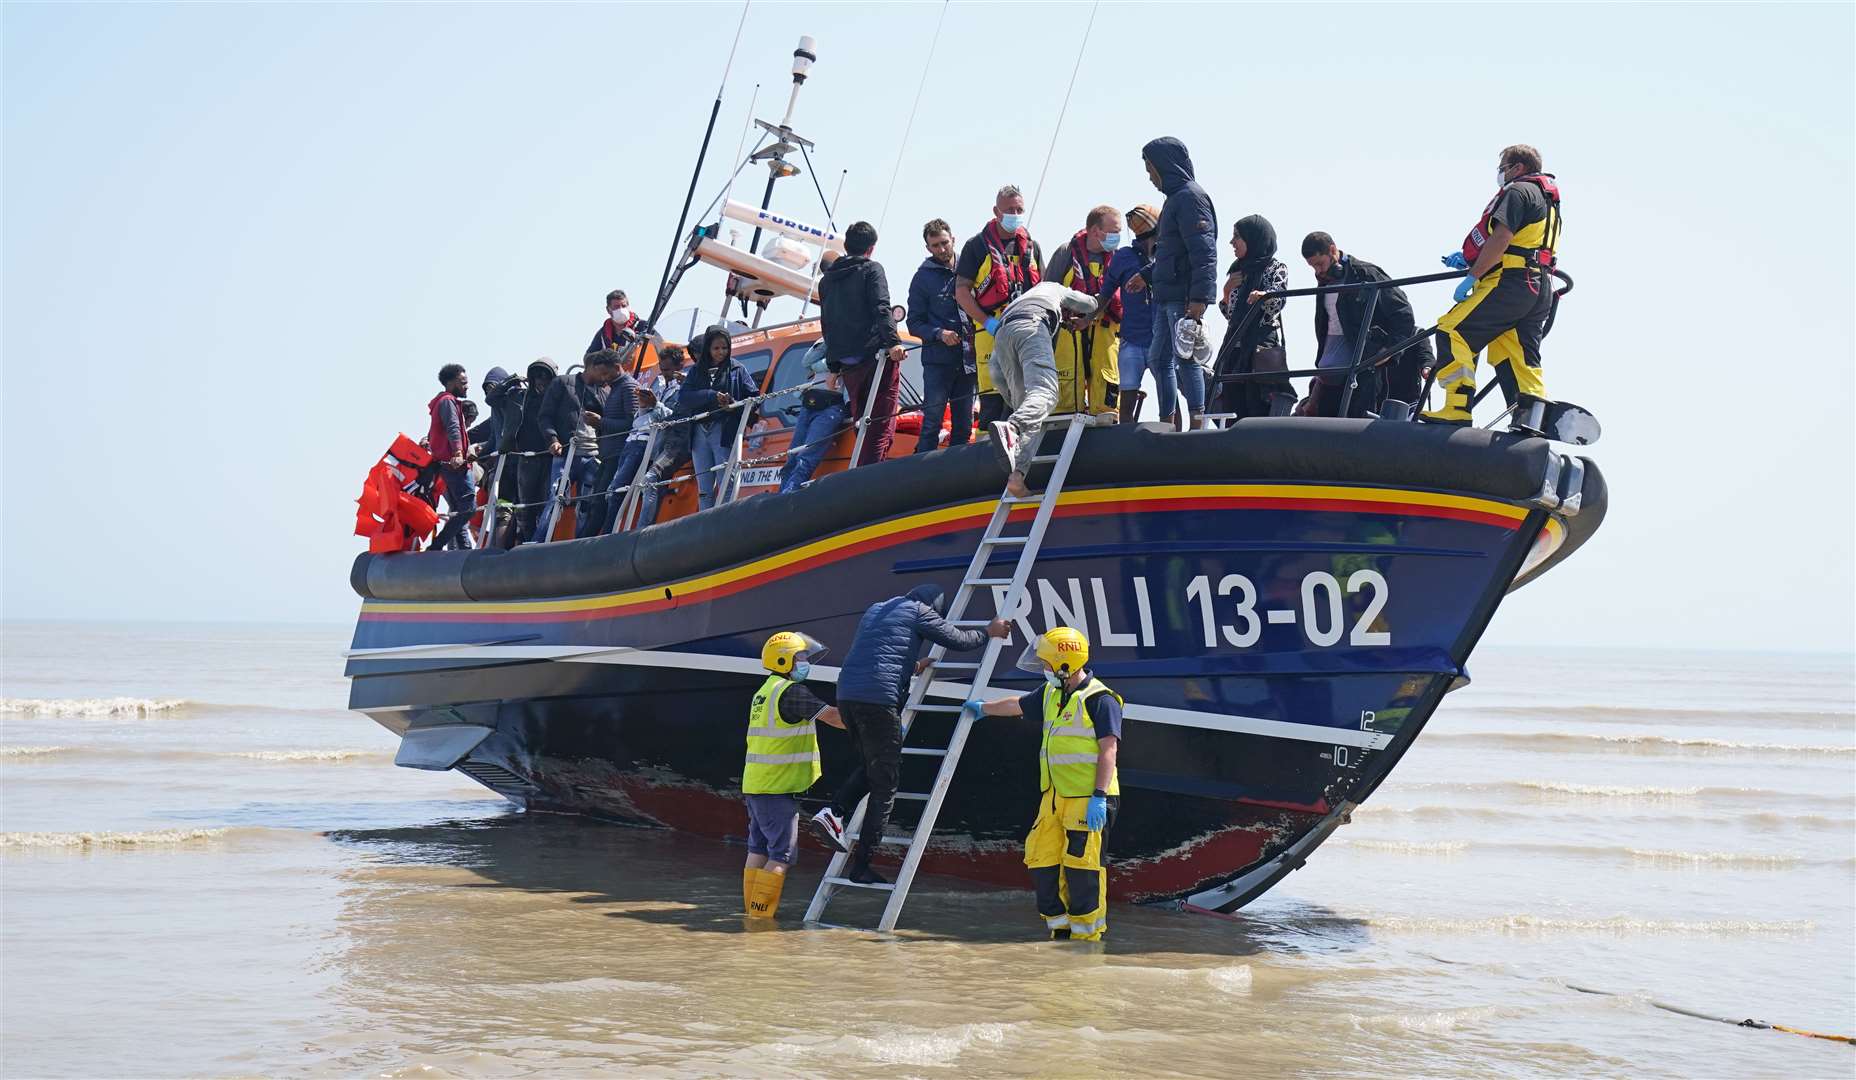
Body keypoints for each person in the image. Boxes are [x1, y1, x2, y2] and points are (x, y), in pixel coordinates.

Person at [809, 585, 1009, 883]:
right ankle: (860, 865)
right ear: (933, 605)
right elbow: (959, 640)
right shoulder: (920, 611)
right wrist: (988, 631)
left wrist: (914, 666)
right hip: (879, 701)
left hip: (849, 696)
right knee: (885, 786)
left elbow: (878, 653)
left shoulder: (876, 608)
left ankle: (834, 812)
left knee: (871, 767)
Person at [962, 626, 1122, 941]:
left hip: (1088, 799)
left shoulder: (1100, 700)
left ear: (1065, 665)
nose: (1043, 670)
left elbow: (1109, 750)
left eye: (1047, 664)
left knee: (1082, 869)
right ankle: (1059, 933)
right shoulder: (1051, 693)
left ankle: (1087, 940)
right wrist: (984, 709)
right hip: (1054, 796)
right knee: (1041, 859)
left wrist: (1099, 796)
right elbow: (1017, 705)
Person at [1423, 144, 1562, 430]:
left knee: (1452, 330)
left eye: (1503, 168)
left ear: (1518, 168)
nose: (1500, 174)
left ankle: (1457, 407)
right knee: (1515, 349)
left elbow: (1501, 238)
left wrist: (1473, 275)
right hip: (1539, 286)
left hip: (1510, 281)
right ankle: (1531, 415)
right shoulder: (1548, 202)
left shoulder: (1517, 191)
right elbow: (1525, 242)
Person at [742, 630, 844, 919]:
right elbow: (832, 716)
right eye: (801, 657)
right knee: (782, 855)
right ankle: (761, 921)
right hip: (776, 789)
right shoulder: (791, 692)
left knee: (758, 848)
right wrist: (872, 726)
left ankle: (751, 914)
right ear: (785, 660)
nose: (805, 662)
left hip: (756, 786)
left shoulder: (764, 691)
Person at [1125, 138, 1217, 430]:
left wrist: (1200, 298)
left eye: (1150, 168)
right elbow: (1169, 254)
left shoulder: (1190, 199)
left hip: (1183, 296)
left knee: (1185, 358)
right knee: (1158, 357)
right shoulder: (1174, 200)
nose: (1149, 175)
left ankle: (1197, 423)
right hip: (1168, 295)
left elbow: (1204, 253)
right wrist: (1146, 275)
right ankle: (1169, 422)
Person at [983, 281, 1100, 499]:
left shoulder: (1021, 299)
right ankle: (1013, 426)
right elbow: (1089, 304)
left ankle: (1017, 476)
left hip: (1002, 335)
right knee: (1046, 393)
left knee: (1030, 408)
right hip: (1031, 327)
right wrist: (1096, 298)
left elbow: (996, 371)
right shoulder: (1055, 288)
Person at [1301, 232, 1435, 418]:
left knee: (1358, 420)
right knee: (1325, 423)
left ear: (1332, 250)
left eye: (1320, 264)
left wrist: (1388, 351)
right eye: (1312, 267)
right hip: (1331, 370)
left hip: (1364, 368)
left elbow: (1403, 314)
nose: (1317, 271)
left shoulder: (1367, 274)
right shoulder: (1323, 283)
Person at [954, 185, 1044, 431]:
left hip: (1025, 332)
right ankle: (985, 458)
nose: (1015, 214)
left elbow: (1043, 288)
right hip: (990, 331)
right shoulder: (977, 245)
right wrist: (986, 322)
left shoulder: (1031, 246)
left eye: (1019, 209)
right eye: (1010, 210)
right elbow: (961, 291)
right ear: (996, 211)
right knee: (992, 402)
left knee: (1023, 399)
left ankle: (1020, 453)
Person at [819, 223, 907, 467]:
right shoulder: (872, 270)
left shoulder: (826, 281)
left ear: (846, 246)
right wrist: (894, 343)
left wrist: (833, 366)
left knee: (862, 421)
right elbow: (881, 307)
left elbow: (828, 324)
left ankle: (862, 470)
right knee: (880, 424)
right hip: (874, 357)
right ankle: (868, 478)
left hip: (848, 364)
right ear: (871, 248)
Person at [1041, 206, 1124, 424]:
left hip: (1105, 332)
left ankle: (1105, 422)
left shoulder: (1119, 258)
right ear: (1096, 231)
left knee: (1107, 381)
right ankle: (1063, 422)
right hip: (1070, 332)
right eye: (1114, 230)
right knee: (1066, 381)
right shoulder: (1066, 253)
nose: (1118, 236)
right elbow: (1046, 292)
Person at [532, 350, 624, 541]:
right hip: (566, 454)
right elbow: (545, 416)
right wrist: (553, 440)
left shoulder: (605, 392)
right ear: (593, 367)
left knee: (587, 504)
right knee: (556, 499)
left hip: (593, 455)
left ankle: (579, 545)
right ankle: (538, 541)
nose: (605, 377)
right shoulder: (562, 383)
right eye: (602, 372)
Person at [1211, 215, 1294, 419]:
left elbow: (1278, 301)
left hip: (1260, 349)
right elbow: (1231, 316)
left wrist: (1264, 296)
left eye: (1237, 237)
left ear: (1253, 238)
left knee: (1258, 405)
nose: (1232, 242)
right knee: (1231, 404)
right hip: (1234, 349)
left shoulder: (1275, 268)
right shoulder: (1238, 271)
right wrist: (1226, 292)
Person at [905, 219, 975, 453]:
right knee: (932, 422)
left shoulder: (969, 268)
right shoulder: (922, 278)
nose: (942, 249)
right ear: (928, 249)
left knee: (964, 425)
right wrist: (939, 333)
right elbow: (913, 322)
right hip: (938, 362)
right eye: (935, 245)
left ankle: (958, 479)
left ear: (953, 240)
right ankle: (920, 474)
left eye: (945, 243)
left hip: (968, 360)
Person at [1102, 204, 1161, 423]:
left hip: (1162, 340)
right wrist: (1087, 318)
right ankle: (1126, 446)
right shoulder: (1124, 256)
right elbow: (1105, 294)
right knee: (1126, 400)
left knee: (1169, 400)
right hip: (1132, 341)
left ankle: (1175, 446)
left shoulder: (1167, 255)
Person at [580, 352, 642, 536]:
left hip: (619, 454)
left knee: (602, 500)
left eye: (605, 374)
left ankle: (595, 539)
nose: (602, 378)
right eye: (600, 374)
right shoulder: (615, 388)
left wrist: (601, 423)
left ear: (617, 367)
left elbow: (633, 423)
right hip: (609, 454)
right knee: (596, 500)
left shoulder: (629, 387)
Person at [633, 344, 691, 529]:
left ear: (679, 366)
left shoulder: (686, 386)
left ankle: (643, 528)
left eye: (667, 369)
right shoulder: (660, 384)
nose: (663, 372)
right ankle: (646, 527)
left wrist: (656, 404)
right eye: (661, 368)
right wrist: (644, 405)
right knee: (653, 487)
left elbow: (678, 417)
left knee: (652, 478)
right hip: (658, 441)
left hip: (677, 442)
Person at [778, 347, 847, 493]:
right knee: (792, 457)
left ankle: (788, 494)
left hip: (832, 407)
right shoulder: (828, 338)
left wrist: (823, 364)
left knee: (806, 458)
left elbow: (846, 362)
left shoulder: (854, 341)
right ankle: (781, 496)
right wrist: (828, 343)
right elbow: (807, 361)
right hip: (809, 404)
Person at [427, 364, 477, 550]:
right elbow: (453, 428)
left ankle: (463, 548)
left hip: (447, 464)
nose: (466, 386)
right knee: (469, 508)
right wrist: (457, 453)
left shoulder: (442, 402)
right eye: (463, 382)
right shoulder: (448, 402)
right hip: (454, 465)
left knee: (458, 509)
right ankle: (438, 545)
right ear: (451, 383)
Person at [510, 357, 560, 544]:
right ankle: (528, 539)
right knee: (525, 505)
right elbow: (492, 398)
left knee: (544, 501)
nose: (541, 380)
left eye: (545, 376)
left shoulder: (558, 399)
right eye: (537, 376)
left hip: (549, 457)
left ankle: (541, 540)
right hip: (526, 457)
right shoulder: (521, 398)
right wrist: (511, 381)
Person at [587, 289, 639, 355]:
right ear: (608, 310)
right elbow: (589, 357)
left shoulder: (642, 326)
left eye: (623, 306)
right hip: (615, 365)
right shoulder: (603, 334)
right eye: (616, 307)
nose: (621, 310)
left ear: (628, 306)